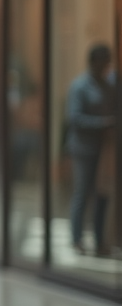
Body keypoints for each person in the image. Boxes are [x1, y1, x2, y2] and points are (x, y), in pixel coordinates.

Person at [66, 44, 116, 255]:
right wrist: (102, 123)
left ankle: (99, 240)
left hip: (103, 149)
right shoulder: (79, 86)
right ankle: (77, 239)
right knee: (82, 193)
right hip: (83, 149)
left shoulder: (107, 84)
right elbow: (74, 118)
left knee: (101, 194)